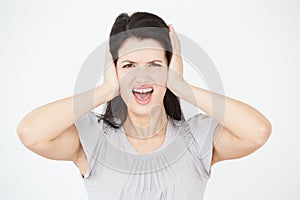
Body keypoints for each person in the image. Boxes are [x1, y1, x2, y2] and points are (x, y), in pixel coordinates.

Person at [16, 12, 272, 200]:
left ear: (170, 68)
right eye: (128, 66)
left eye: (154, 65)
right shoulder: (93, 138)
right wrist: (104, 91)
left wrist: (182, 87)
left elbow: (257, 131)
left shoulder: (196, 138)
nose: (142, 78)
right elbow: (30, 133)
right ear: (113, 71)